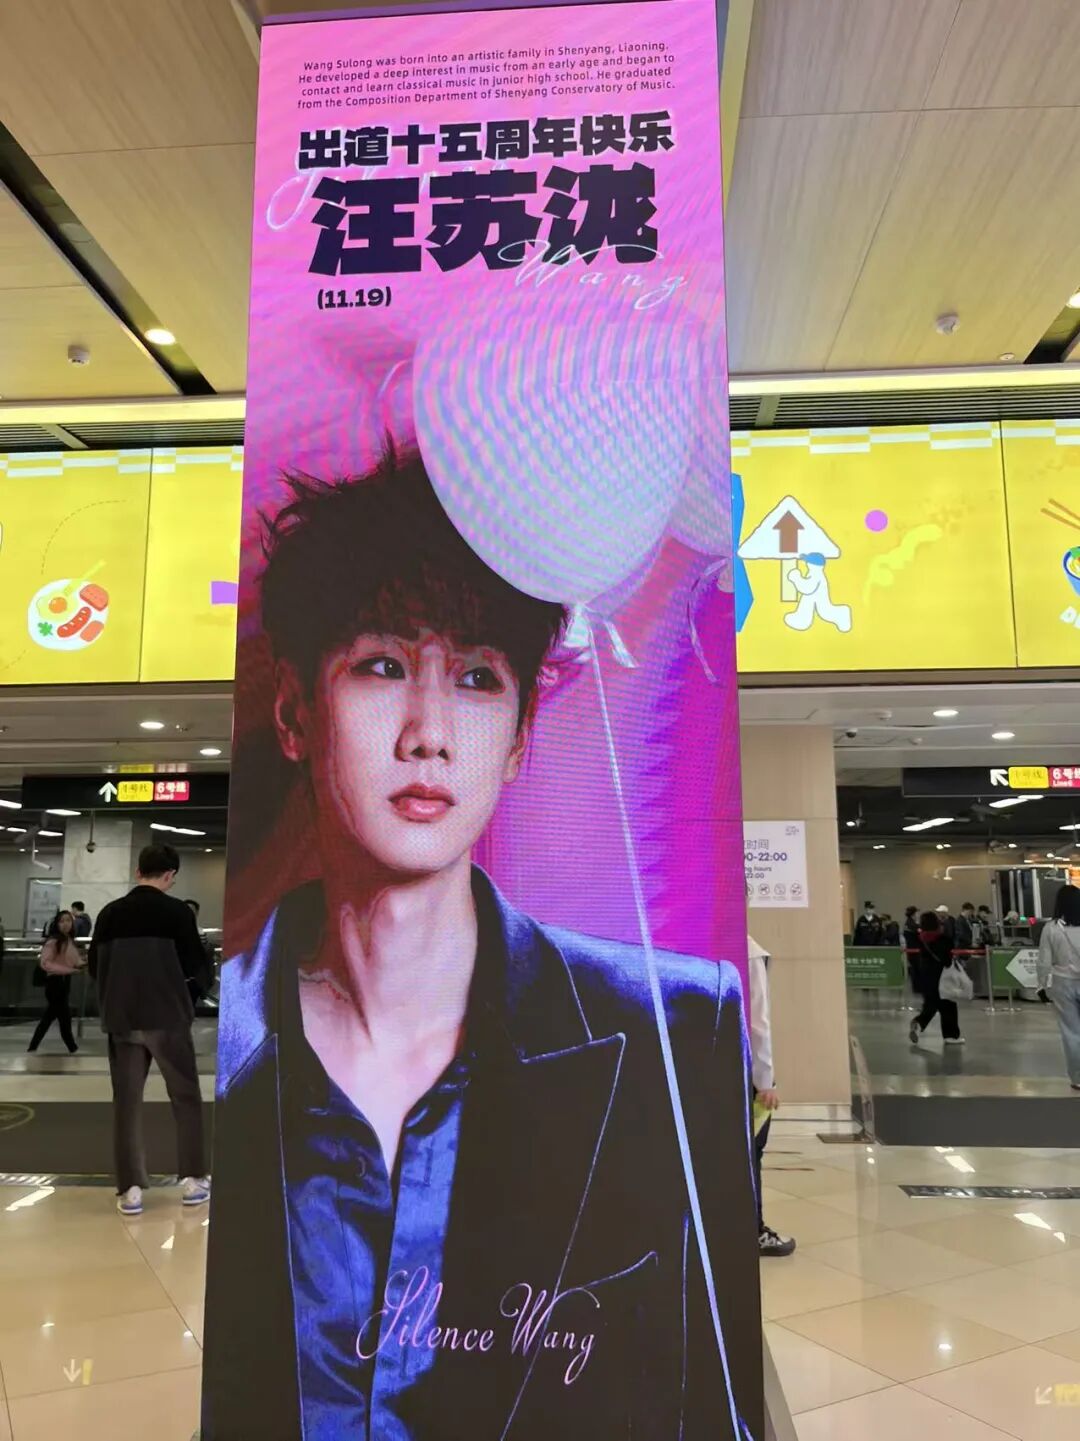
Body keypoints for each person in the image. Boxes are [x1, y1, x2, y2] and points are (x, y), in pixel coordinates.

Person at [202, 450, 759, 1441]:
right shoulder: (237, 1038)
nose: (429, 733)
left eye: (475, 677)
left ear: (517, 738)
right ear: (294, 712)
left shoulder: (677, 1029)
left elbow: (713, 1404)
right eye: (382, 666)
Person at [89, 844, 210, 1217]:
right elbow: (196, 966)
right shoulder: (177, 913)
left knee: (127, 1103)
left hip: (122, 1019)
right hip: (168, 1017)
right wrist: (189, 995)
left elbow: (94, 965)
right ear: (170, 875)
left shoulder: (110, 913)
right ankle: (192, 1180)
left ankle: (131, 1190)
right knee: (185, 1097)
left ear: (138, 871)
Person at [748, 936, 795, 1258]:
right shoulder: (750, 953)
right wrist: (765, 1081)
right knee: (751, 1154)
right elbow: (757, 1023)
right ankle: (753, 1229)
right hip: (747, 1076)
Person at [1037, 884, 1080, 1091]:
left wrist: (1041, 985)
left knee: (1071, 1031)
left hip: (1062, 983)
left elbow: (1044, 960)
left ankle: (1077, 1077)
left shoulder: (1051, 928)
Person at [27, 909, 84, 1054]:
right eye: (62, 921)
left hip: (64, 983)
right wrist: (69, 970)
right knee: (63, 1018)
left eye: (68, 920)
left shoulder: (68, 940)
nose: (66, 924)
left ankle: (33, 1047)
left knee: (51, 1017)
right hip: (55, 984)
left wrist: (81, 965)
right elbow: (46, 963)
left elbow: (74, 960)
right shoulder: (53, 941)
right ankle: (72, 1048)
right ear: (57, 924)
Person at [908, 910, 963, 1045]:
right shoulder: (943, 939)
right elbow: (947, 959)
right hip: (942, 976)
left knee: (931, 1005)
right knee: (948, 1005)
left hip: (925, 976)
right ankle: (951, 1035)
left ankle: (919, 1024)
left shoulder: (920, 939)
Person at [181, 899, 216, 1006]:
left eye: (192, 911)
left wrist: (208, 981)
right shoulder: (175, 932)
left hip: (196, 978)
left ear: (196, 913)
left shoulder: (201, 933)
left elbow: (207, 958)